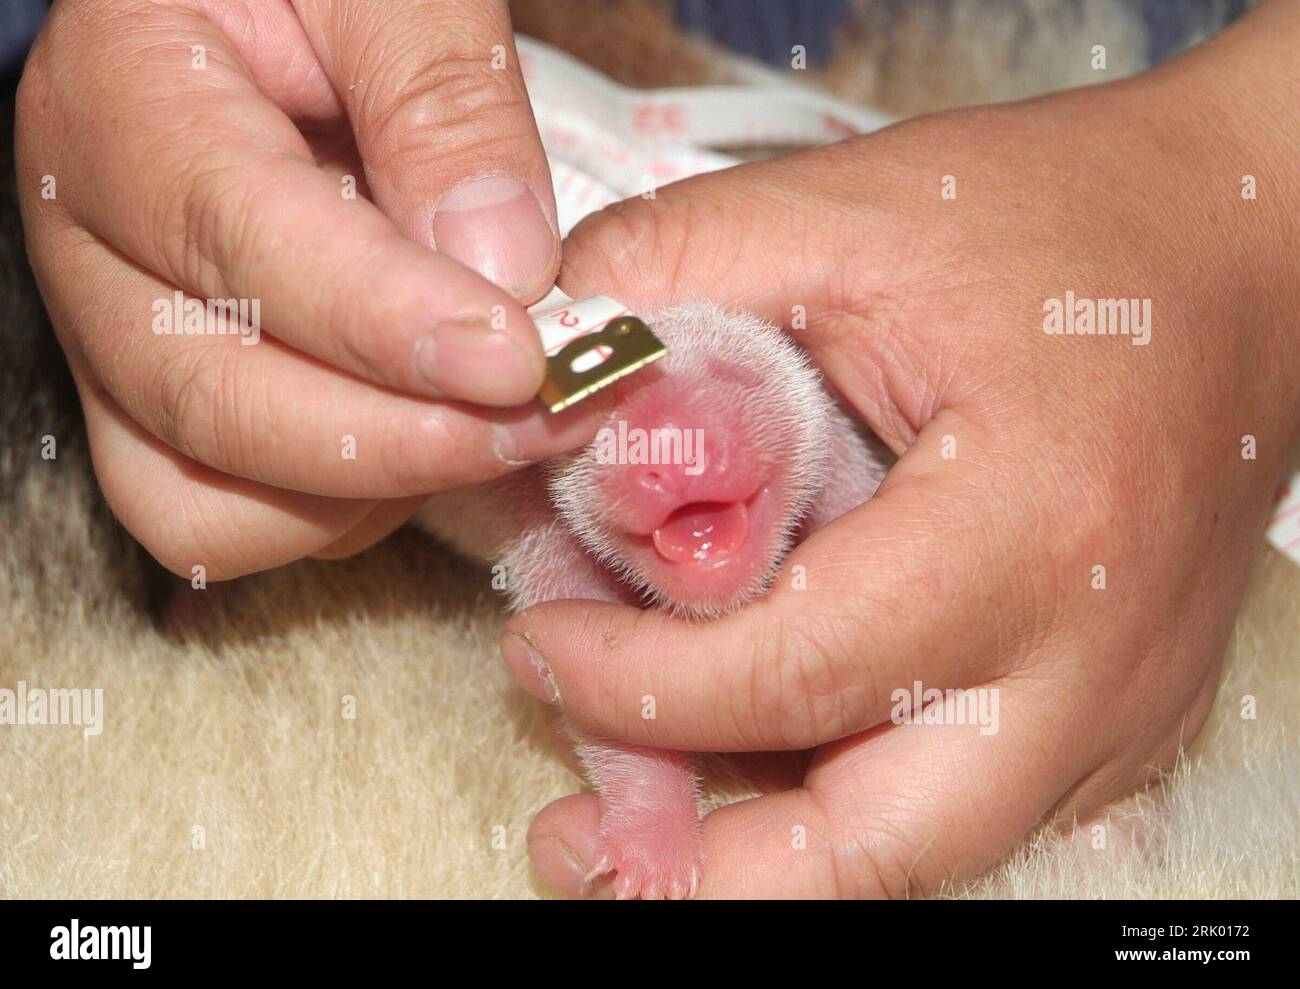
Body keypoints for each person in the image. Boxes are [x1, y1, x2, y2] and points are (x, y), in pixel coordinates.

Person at [16, 0, 1299, 898]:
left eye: (717, 392)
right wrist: (651, 817)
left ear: (788, 388)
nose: (679, 460)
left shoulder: (835, 441)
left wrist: (1248, 183)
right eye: (630, 421)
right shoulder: (541, 492)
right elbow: (607, 681)